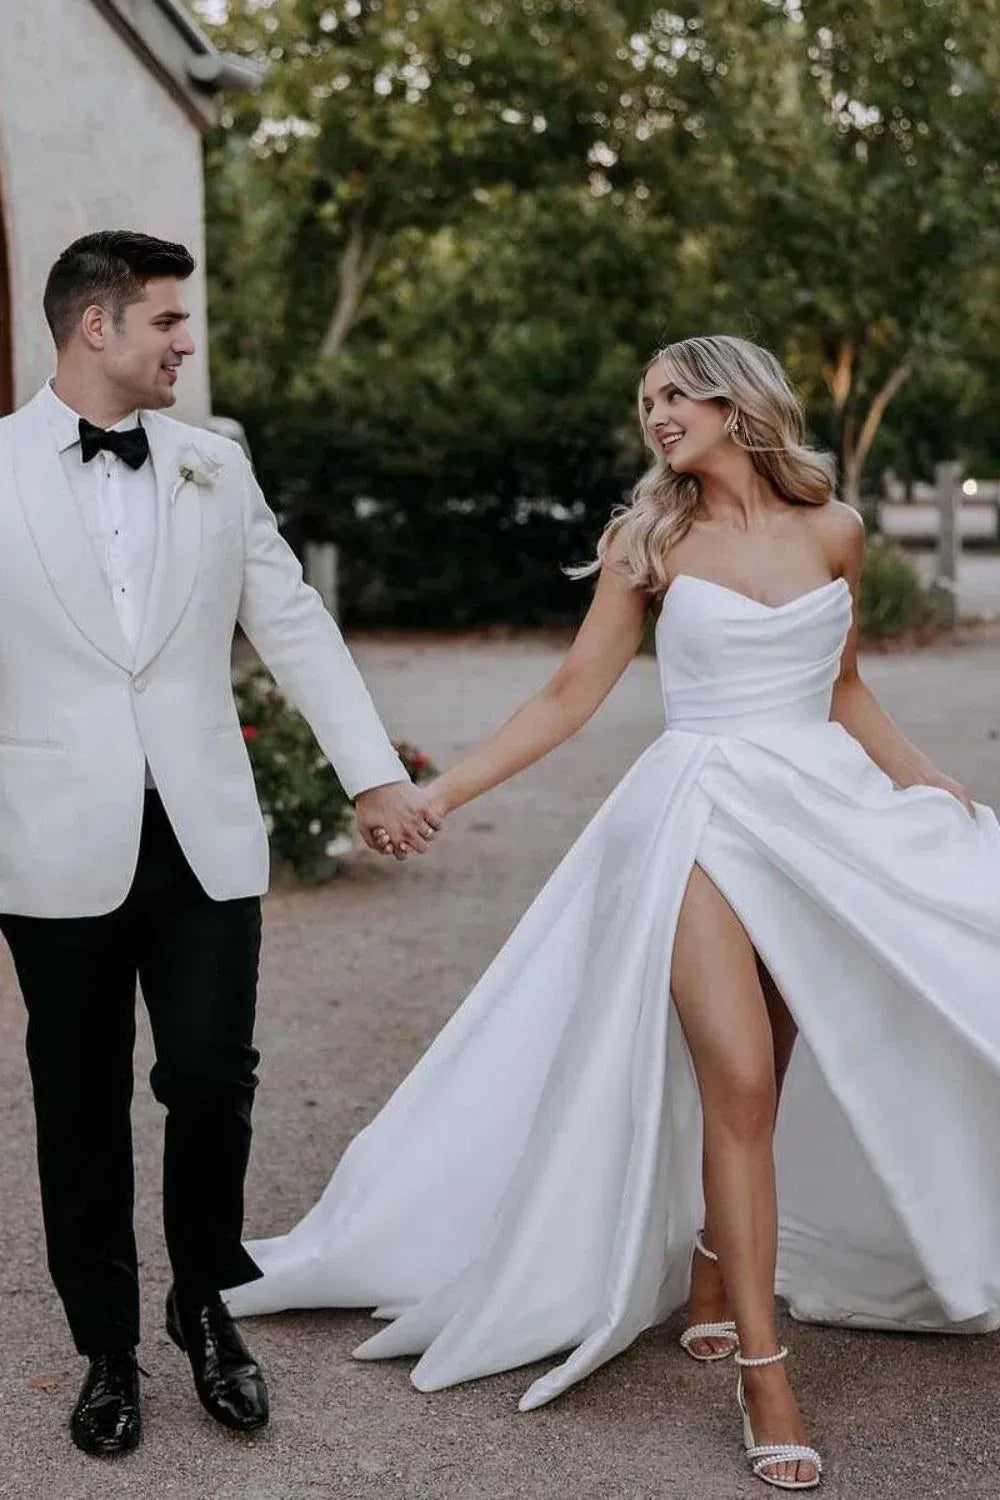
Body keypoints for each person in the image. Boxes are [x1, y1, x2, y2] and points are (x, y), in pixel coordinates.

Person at [227, 335, 1000, 1491]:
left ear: (737, 403)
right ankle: (764, 1372)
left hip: (823, 815)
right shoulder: (649, 541)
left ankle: (705, 1262)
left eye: (673, 394)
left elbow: (843, 688)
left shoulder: (833, 531)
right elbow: (566, 695)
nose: (654, 415)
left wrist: (922, 781)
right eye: (643, 399)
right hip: (694, 812)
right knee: (735, 1073)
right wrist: (436, 788)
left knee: (782, 1055)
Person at [0, 230, 440, 1459]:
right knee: (75, 1101)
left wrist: (368, 775)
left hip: (201, 837)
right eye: (166, 321)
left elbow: (291, 622)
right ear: (98, 327)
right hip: (49, 840)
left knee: (210, 1080)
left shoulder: (213, 465)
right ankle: (104, 1349)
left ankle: (205, 1309)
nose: (184, 341)